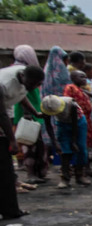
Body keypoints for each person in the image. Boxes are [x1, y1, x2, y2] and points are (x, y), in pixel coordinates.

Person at [1, 64, 44, 219]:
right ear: (24, 77)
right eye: (33, 84)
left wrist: (35, 112)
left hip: (4, 114)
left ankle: (10, 210)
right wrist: (12, 141)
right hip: (2, 116)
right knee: (4, 167)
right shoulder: (4, 83)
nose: (35, 87)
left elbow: (21, 95)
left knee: (5, 169)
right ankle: (9, 210)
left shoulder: (24, 79)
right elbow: (2, 115)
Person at [12, 45, 48, 185]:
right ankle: (31, 174)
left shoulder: (31, 70)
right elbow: (22, 95)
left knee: (39, 144)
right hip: (26, 113)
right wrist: (29, 113)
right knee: (29, 143)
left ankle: (39, 172)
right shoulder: (20, 72)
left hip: (35, 112)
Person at [40, 94, 89, 188]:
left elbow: (75, 125)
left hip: (79, 123)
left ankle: (80, 175)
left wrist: (74, 141)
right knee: (64, 150)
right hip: (62, 124)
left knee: (81, 148)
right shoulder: (46, 107)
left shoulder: (72, 105)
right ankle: (65, 177)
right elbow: (49, 126)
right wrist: (55, 143)